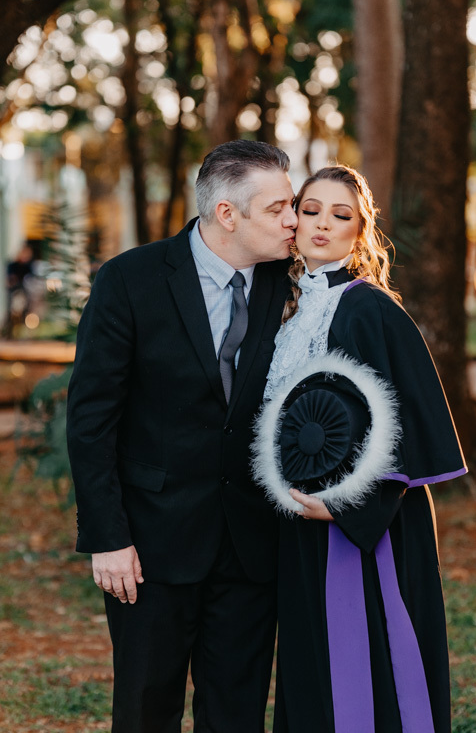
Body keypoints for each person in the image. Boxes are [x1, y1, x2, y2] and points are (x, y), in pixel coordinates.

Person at [66, 140, 298, 733]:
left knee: (237, 713)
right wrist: (107, 537)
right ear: (228, 214)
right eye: (277, 209)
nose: (293, 221)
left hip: (250, 544)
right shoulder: (129, 280)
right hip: (149, 547)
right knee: (147, 710)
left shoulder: (289, 283)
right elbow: (92, 420)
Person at [252, 165, 467, 733]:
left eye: (341, 215)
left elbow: (409, 425)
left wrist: (349, 506)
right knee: (311, 665)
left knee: (365, 669)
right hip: (301, 520)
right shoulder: (286, 309)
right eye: (312, 209)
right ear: (293, 219)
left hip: (368, 525)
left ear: (361, 231)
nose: (323, 224)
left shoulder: (370, 309)